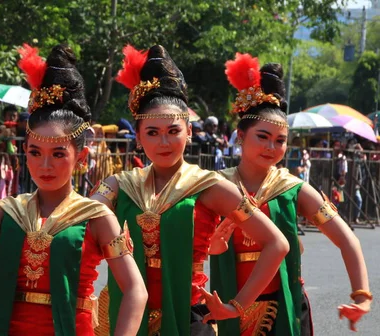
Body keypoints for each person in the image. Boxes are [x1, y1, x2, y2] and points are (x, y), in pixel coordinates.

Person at [0, 43, 148, 335]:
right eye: (35, 152)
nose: (45, 165)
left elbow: (136, 291)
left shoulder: (95, 216)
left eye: (58, 154)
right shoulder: (7, 210)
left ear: (80, 157)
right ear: (25, 151)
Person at [91, 45, 290, 336]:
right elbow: (78, 225)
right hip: (123, 317)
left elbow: (277, 244)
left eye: (173, 131)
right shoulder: (118, 185)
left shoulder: (209, 187)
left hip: (187, 319)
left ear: (190, 131)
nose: (164, 143)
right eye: (152, 133)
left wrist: (236, 306)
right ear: (137, 136)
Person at [209, 53, 371, 335]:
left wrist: (361, 296)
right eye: (262, 136)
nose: (271, 147)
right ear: (240, 136)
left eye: (280, 140)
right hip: (223, 309)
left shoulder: (292, 189)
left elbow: (347, 240)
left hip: (283, 309)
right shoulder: (215, 186)